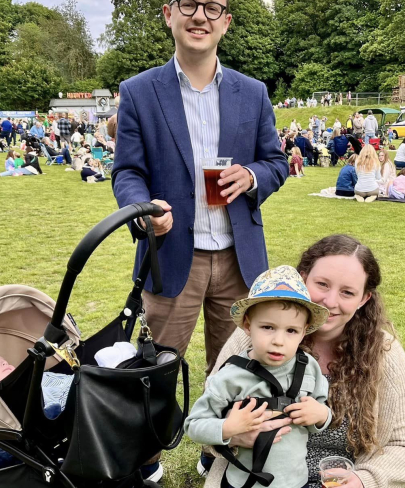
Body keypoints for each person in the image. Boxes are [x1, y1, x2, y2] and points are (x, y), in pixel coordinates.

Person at [195, 234, 405, 488]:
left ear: (364, 299)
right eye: (322, 284)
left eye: (347, 292)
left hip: (335, 487)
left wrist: (364, 484)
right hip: (255, 480)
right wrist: (231, 435)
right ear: (303, 278)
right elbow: (206, 417)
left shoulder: (383, 353)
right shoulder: (256, 335)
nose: (330, 301)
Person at [112, 0, 288, 377]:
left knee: (237, 376)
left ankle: (224, 421)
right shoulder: (138, 92)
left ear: (226, 22)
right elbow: (127, 171)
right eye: (189, 4)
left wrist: (252, 176)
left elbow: (276, 162)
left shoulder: (253, 92)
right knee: (153, 376)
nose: (199, 16)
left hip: (239, 261)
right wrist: (143, 212)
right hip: (171, 256)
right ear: (168, 14)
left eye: (212, 8)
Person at [185, 265, 331, 488]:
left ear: (304, 332)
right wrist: (229, 428)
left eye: (291, 330)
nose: (278, 341)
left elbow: (323, 413)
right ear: (247, 325)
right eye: (267, 327)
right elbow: (193, 425)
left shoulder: (309, 368)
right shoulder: (230, 376)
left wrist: (321, 414)